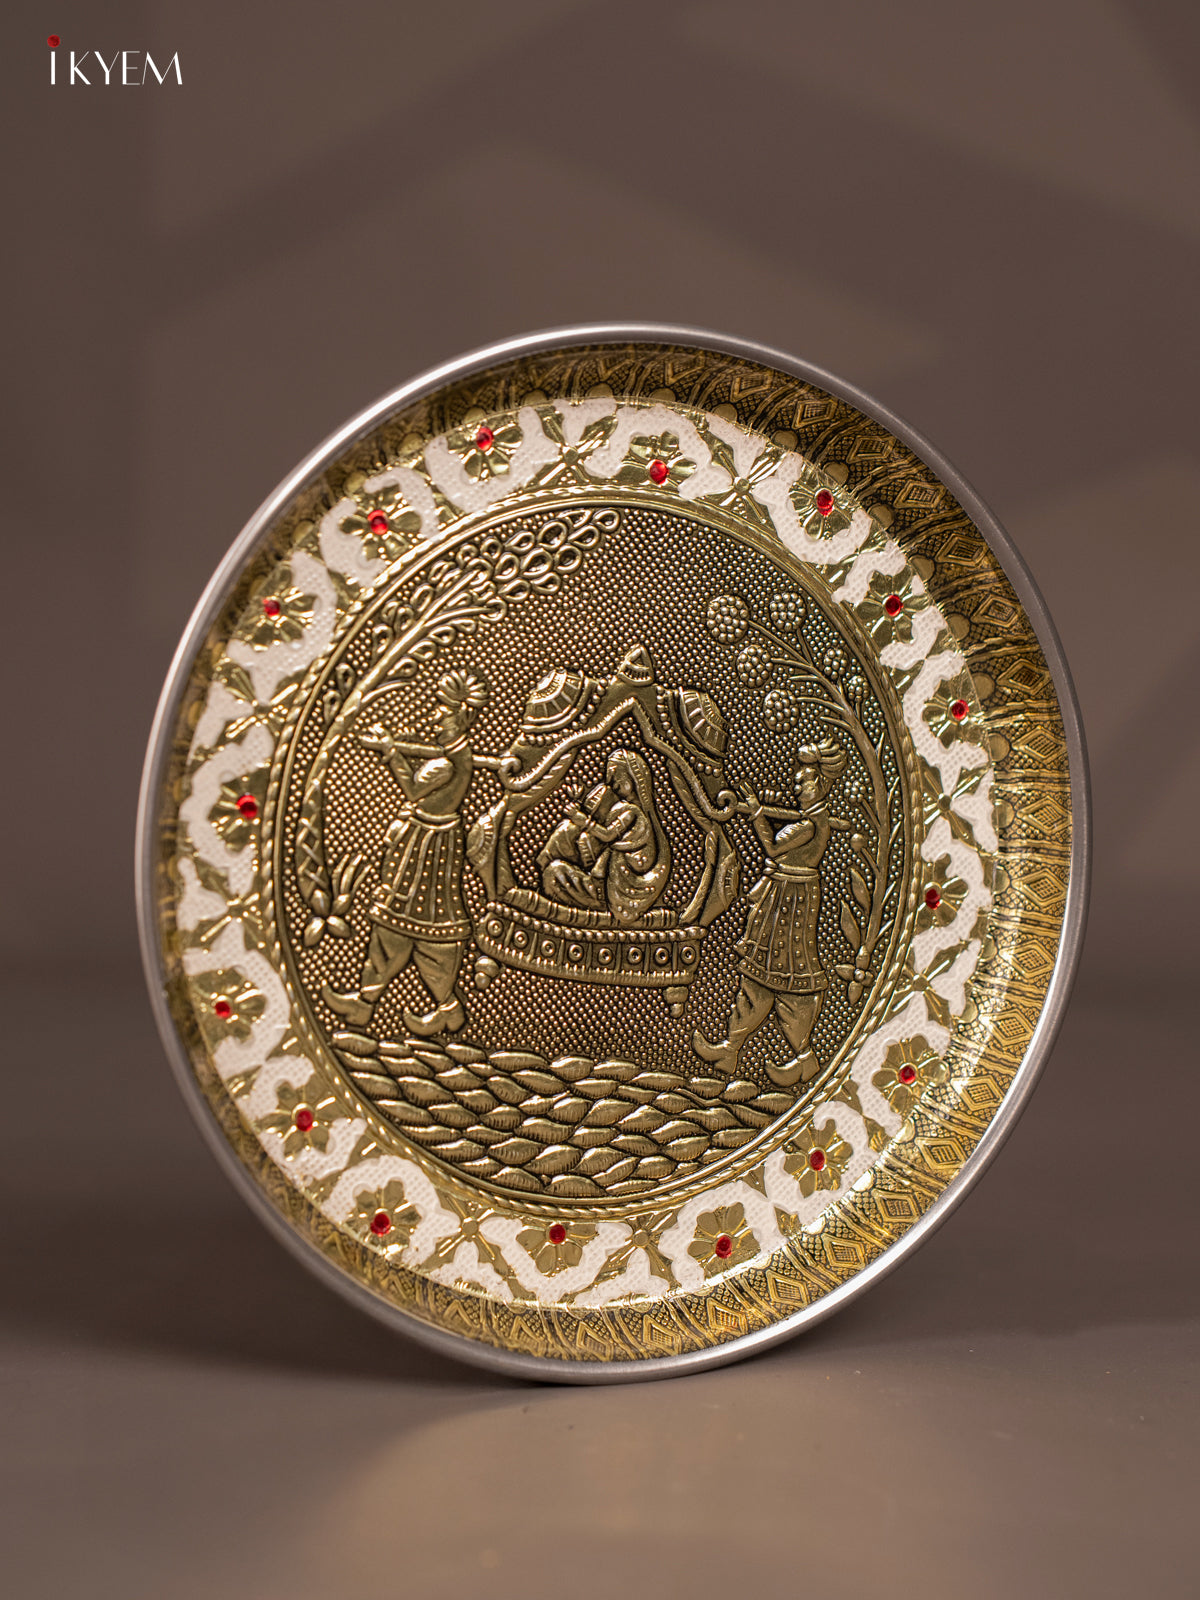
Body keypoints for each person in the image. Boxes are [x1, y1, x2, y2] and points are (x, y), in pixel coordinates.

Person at [322, 670, 490, 1037]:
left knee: (426, 928)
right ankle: (368, 1002)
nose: (434, 717)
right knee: (397, 922)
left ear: (459, 717)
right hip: (426, 844)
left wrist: (391, 751)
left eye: (442, 710)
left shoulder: (446, 764)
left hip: (428, 850)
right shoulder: (455, 757)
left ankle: (445, 1009)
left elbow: (414, 790)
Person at [693, 739, 846, 1085]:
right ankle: (730, 1049)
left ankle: (805, 1059)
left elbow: (774, 848)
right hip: (781, 899)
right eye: (797, 781)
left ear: (821, 785)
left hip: (791, 904)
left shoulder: (809, 825)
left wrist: (757, 814)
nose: (796, 787)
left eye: (804, 782)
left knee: (791, 978)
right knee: (758, 975)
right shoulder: (809, 820)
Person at [538, 748, 671, 925]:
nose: (610, 782)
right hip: (601, 879)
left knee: (555, 873)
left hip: (613, 889)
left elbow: (607, 835)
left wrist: (582, 820)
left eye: (615, 776)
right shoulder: (619, 808)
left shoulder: (632, 812)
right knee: (555, 869)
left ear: (631, 777)